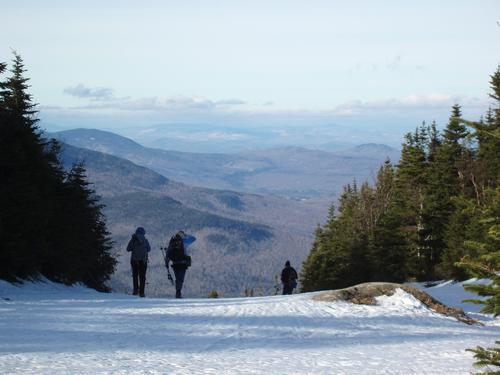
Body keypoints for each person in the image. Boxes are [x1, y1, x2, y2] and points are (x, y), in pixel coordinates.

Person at [165, 230, 196, 298]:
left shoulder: (172, 242)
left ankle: (178, 292)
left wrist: (166, 263)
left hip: (175, 263)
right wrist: (186, 236)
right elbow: (193, 238)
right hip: (183, 263)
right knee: (180, 279)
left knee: (177, 278)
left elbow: (168, 253)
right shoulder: (184, 242)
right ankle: (178, 292)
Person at [126, 227, 151, 297]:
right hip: (143, 261)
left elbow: (128, 249)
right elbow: (149, 249)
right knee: (142, 277)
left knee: (135, 276)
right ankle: (142, 292)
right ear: (144, 233)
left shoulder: (133, 240)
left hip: (134, 261)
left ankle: (135, 291)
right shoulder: (146, 240)